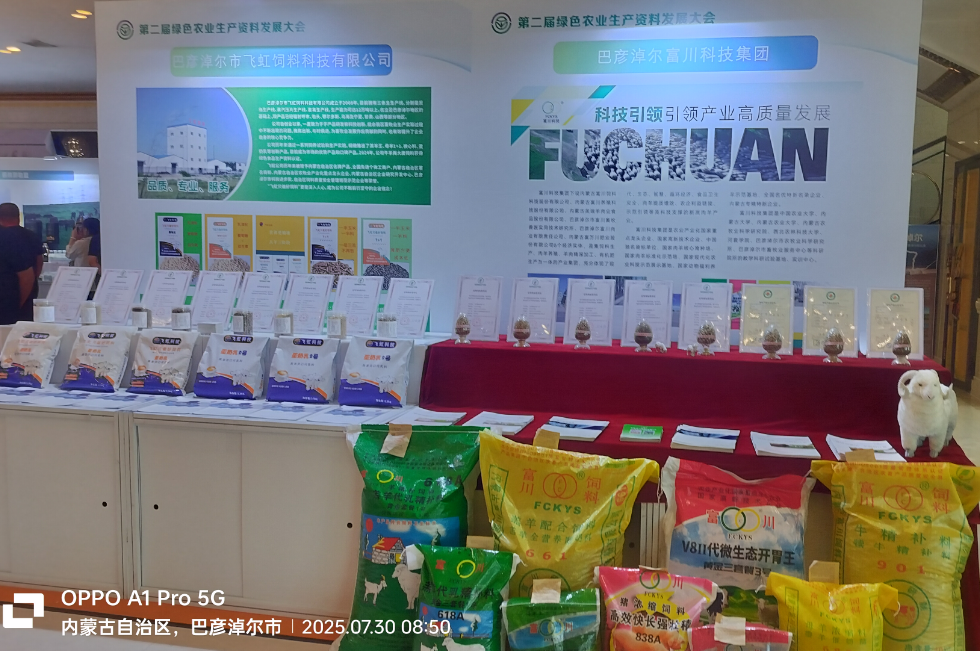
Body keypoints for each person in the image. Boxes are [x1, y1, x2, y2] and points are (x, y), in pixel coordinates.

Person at [0, 202, 44, 324]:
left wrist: (17, 304)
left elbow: (26, 275)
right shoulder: (31, 235)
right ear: (18, 216)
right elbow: (39, 261)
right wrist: (34, 280)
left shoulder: (6, 238)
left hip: (10, 298)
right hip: (26, 292)